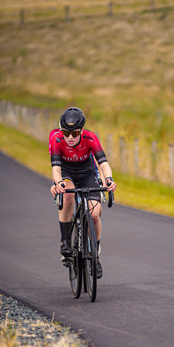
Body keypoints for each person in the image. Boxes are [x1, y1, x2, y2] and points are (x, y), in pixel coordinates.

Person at [49, 107, 116, 279]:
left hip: (87, 172)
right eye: (66, 132)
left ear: (82, 130)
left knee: (94, 214)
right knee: (69, 193)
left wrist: (108, 179)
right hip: (67, 173)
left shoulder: (90, 137)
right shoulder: (57, 139)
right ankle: (65, 242)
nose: (70, 137)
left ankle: (95, 253)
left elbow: (103, 164)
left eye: (75, 133)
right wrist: (59, 183)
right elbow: (56, 169)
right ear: (61, 130)